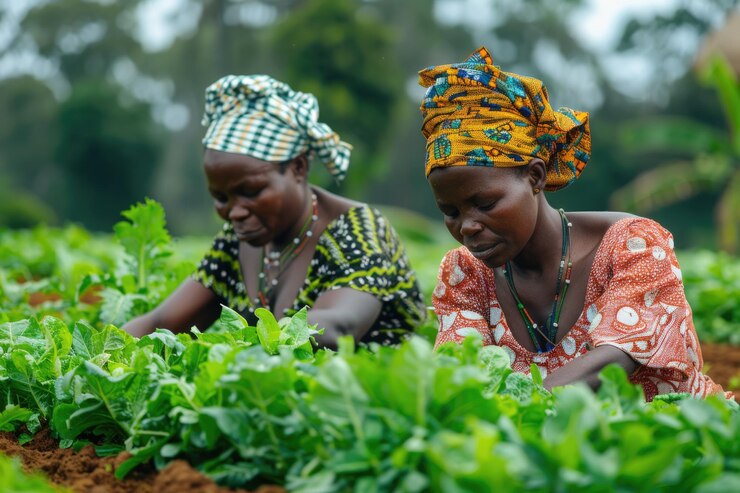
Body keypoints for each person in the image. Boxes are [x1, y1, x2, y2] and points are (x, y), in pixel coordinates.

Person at [420, 47, 731, 401]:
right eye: (451, 212)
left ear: (534, 176)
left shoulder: (633, 244)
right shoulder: (465, 274)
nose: (468, 226)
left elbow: (613, 360)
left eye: (485, 203)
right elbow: (458, 377)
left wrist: (522, 407)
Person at [123, 74, 426, 348]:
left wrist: (230, 350)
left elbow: (335, 328)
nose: (235, 212)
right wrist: (96, 353)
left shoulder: (357, 230)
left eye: (251, 191)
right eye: (220, 197)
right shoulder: (236, 243)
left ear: (298, 167)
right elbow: (161, 324)